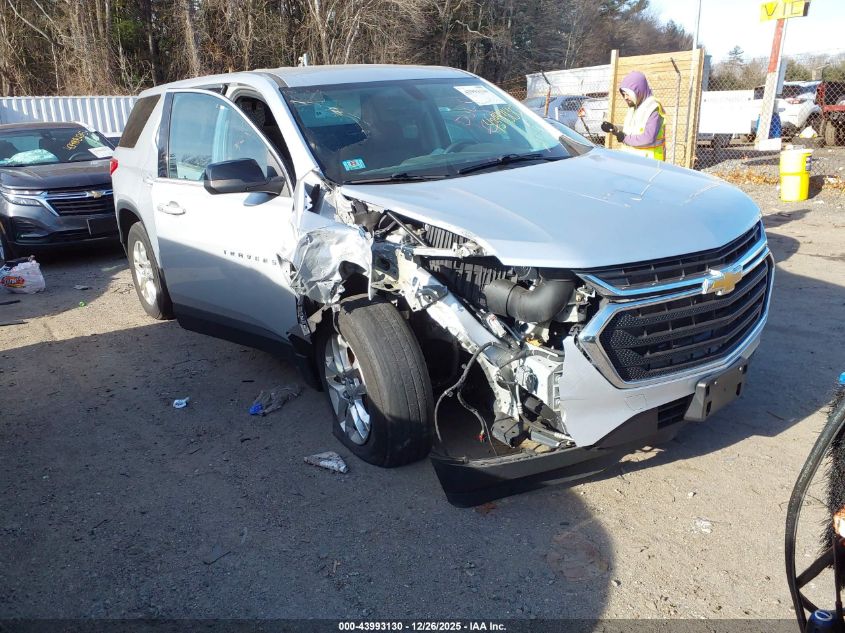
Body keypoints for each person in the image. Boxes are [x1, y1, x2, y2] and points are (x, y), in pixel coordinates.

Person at [601, 71, 666, 161]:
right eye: (623, 94)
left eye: (628, 94)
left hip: (649, 163)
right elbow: (631, 129)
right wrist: (614, 128)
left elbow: (648, 137)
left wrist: (624, 138)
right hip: (633, 160)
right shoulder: (634, 107)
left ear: (638, 90)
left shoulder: (653, 108)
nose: (625, 97)